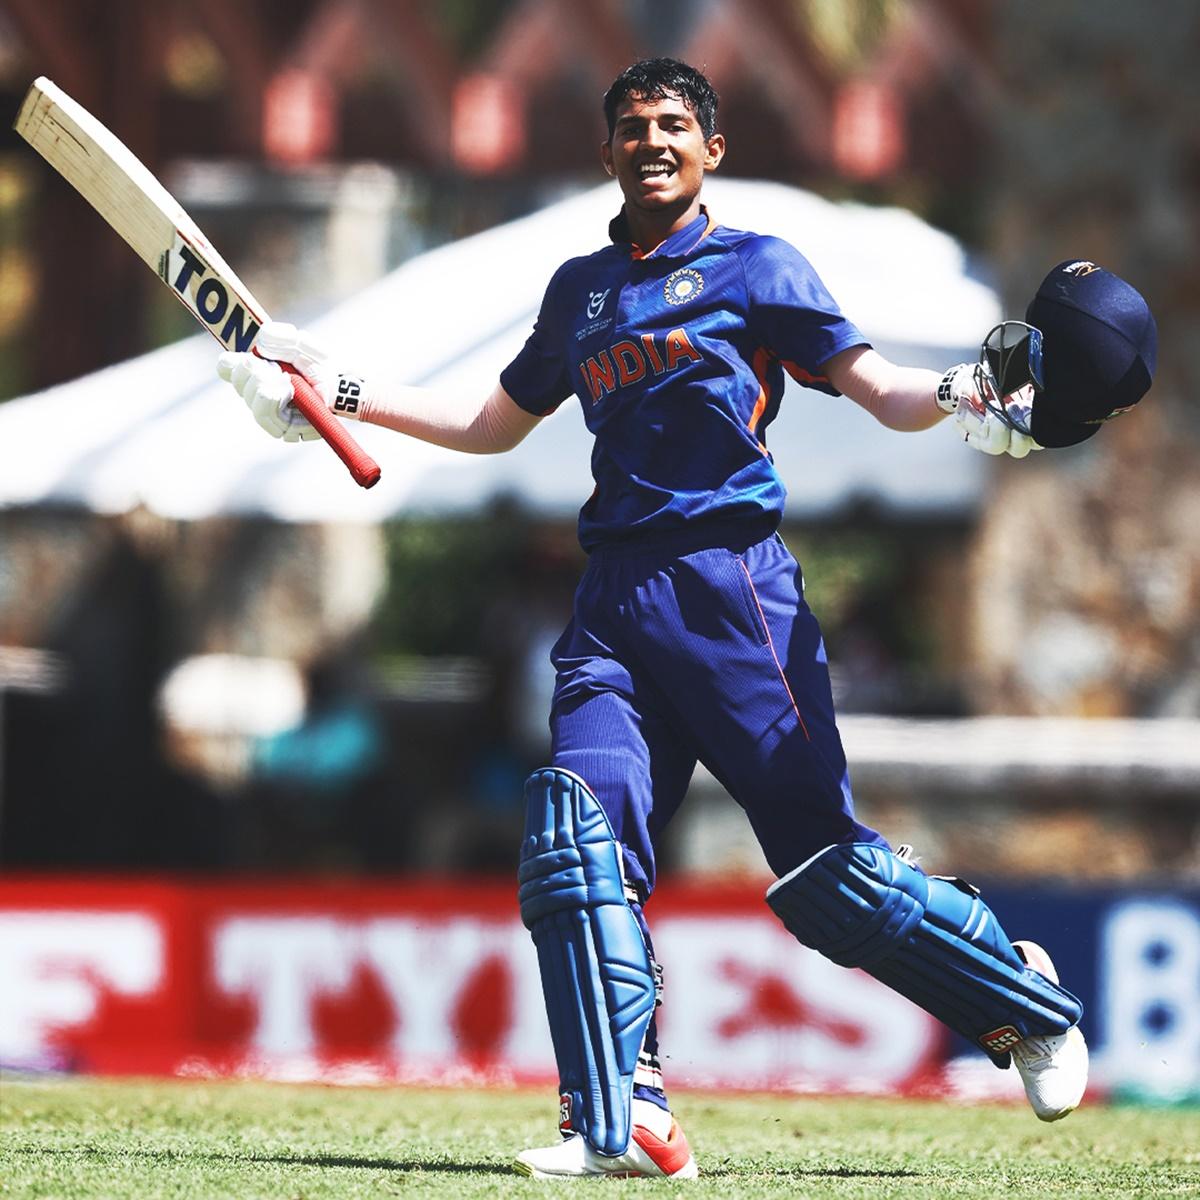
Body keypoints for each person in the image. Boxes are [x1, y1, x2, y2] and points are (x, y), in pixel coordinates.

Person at [217, 58, 1088, 1181]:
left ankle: (1030, 1006)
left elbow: (875, 386)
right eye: (633, 126)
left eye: (675, 125)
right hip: (613, 602)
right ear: (608, 150)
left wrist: (967, 392)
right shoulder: (579, 291)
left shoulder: (760, 266)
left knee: (831, 879)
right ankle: (622, 1114)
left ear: (712, 149)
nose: (654, 141)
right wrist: (331, 395)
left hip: (734, 595)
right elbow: (490, 423)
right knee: (574, 839)